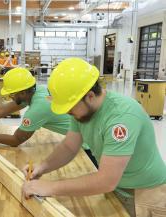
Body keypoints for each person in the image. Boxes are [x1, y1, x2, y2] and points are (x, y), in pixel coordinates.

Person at [22, 58, 166, 217]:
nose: (68, 112)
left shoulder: (121, 118)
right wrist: (42, 167)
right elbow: (69, 146)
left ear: (90, 96)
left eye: (70, 108)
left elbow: (106, 180)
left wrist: (49, 187)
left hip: (145, 194)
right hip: (118, 188)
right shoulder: (81, 110)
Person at [0, 67, 71, 147]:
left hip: (83, 144)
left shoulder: (37, 109)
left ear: (23, 93)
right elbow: (3, 110)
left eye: (12, 94)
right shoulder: (35, 91)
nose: (10, 97)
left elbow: (15, 140)